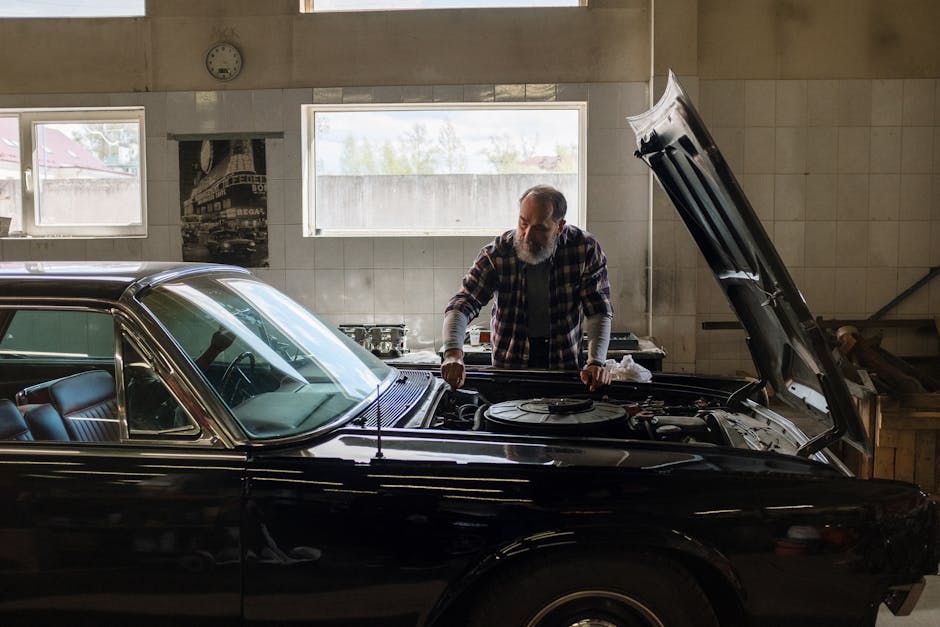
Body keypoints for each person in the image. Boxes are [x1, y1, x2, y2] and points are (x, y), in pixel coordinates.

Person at [441, 184, 613, 391]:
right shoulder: (497, 253)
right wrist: (453, 353)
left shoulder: (584, 248)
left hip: (563, 367)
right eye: (523, 223)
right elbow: (463, 303)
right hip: (509, 371)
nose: (527, 235)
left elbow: (598, 309)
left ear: (559, 227)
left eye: (540, 228)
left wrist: (595, 362)